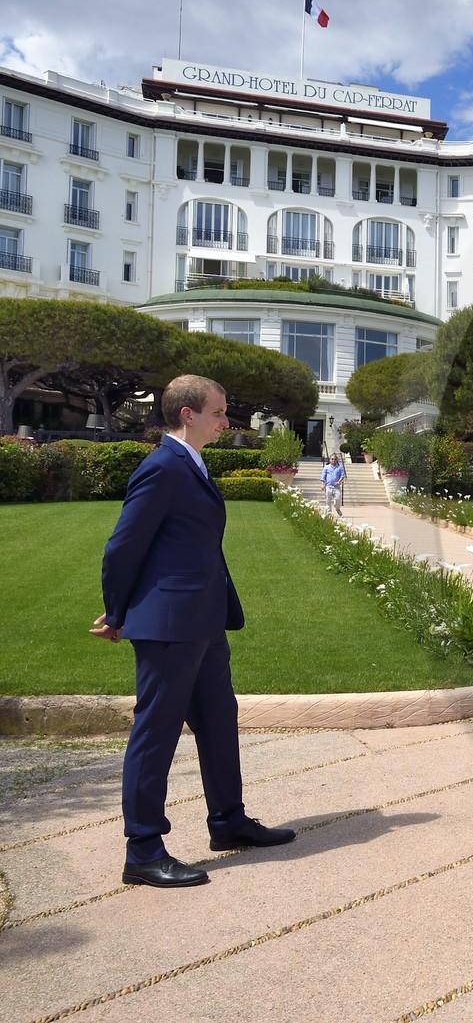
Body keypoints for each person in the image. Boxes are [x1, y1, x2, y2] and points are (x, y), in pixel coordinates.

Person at [91, 374, 295, 889]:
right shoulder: (162, 466)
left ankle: (228, 821)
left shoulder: (191, 463)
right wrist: (117, 613)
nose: (227, 421)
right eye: (220, 412)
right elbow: (122, 547)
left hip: (202, 621)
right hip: (168, 625)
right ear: (188, 414)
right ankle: (143, 849)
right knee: (155, 733)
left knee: (220, 721)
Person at [321, 452, 346, 516]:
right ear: (330, 460)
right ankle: (329, 513)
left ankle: (337, 508)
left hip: (336, 487)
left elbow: (342, 476)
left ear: (336, 460)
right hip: (328, 486)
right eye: (332, 459)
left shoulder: (340, 468)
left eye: (335, 459)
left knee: (338, 499)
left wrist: (339, 482)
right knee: (328, 500)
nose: (333, 460)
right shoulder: (326, 467)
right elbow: (323, 477)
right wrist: (322, 484)